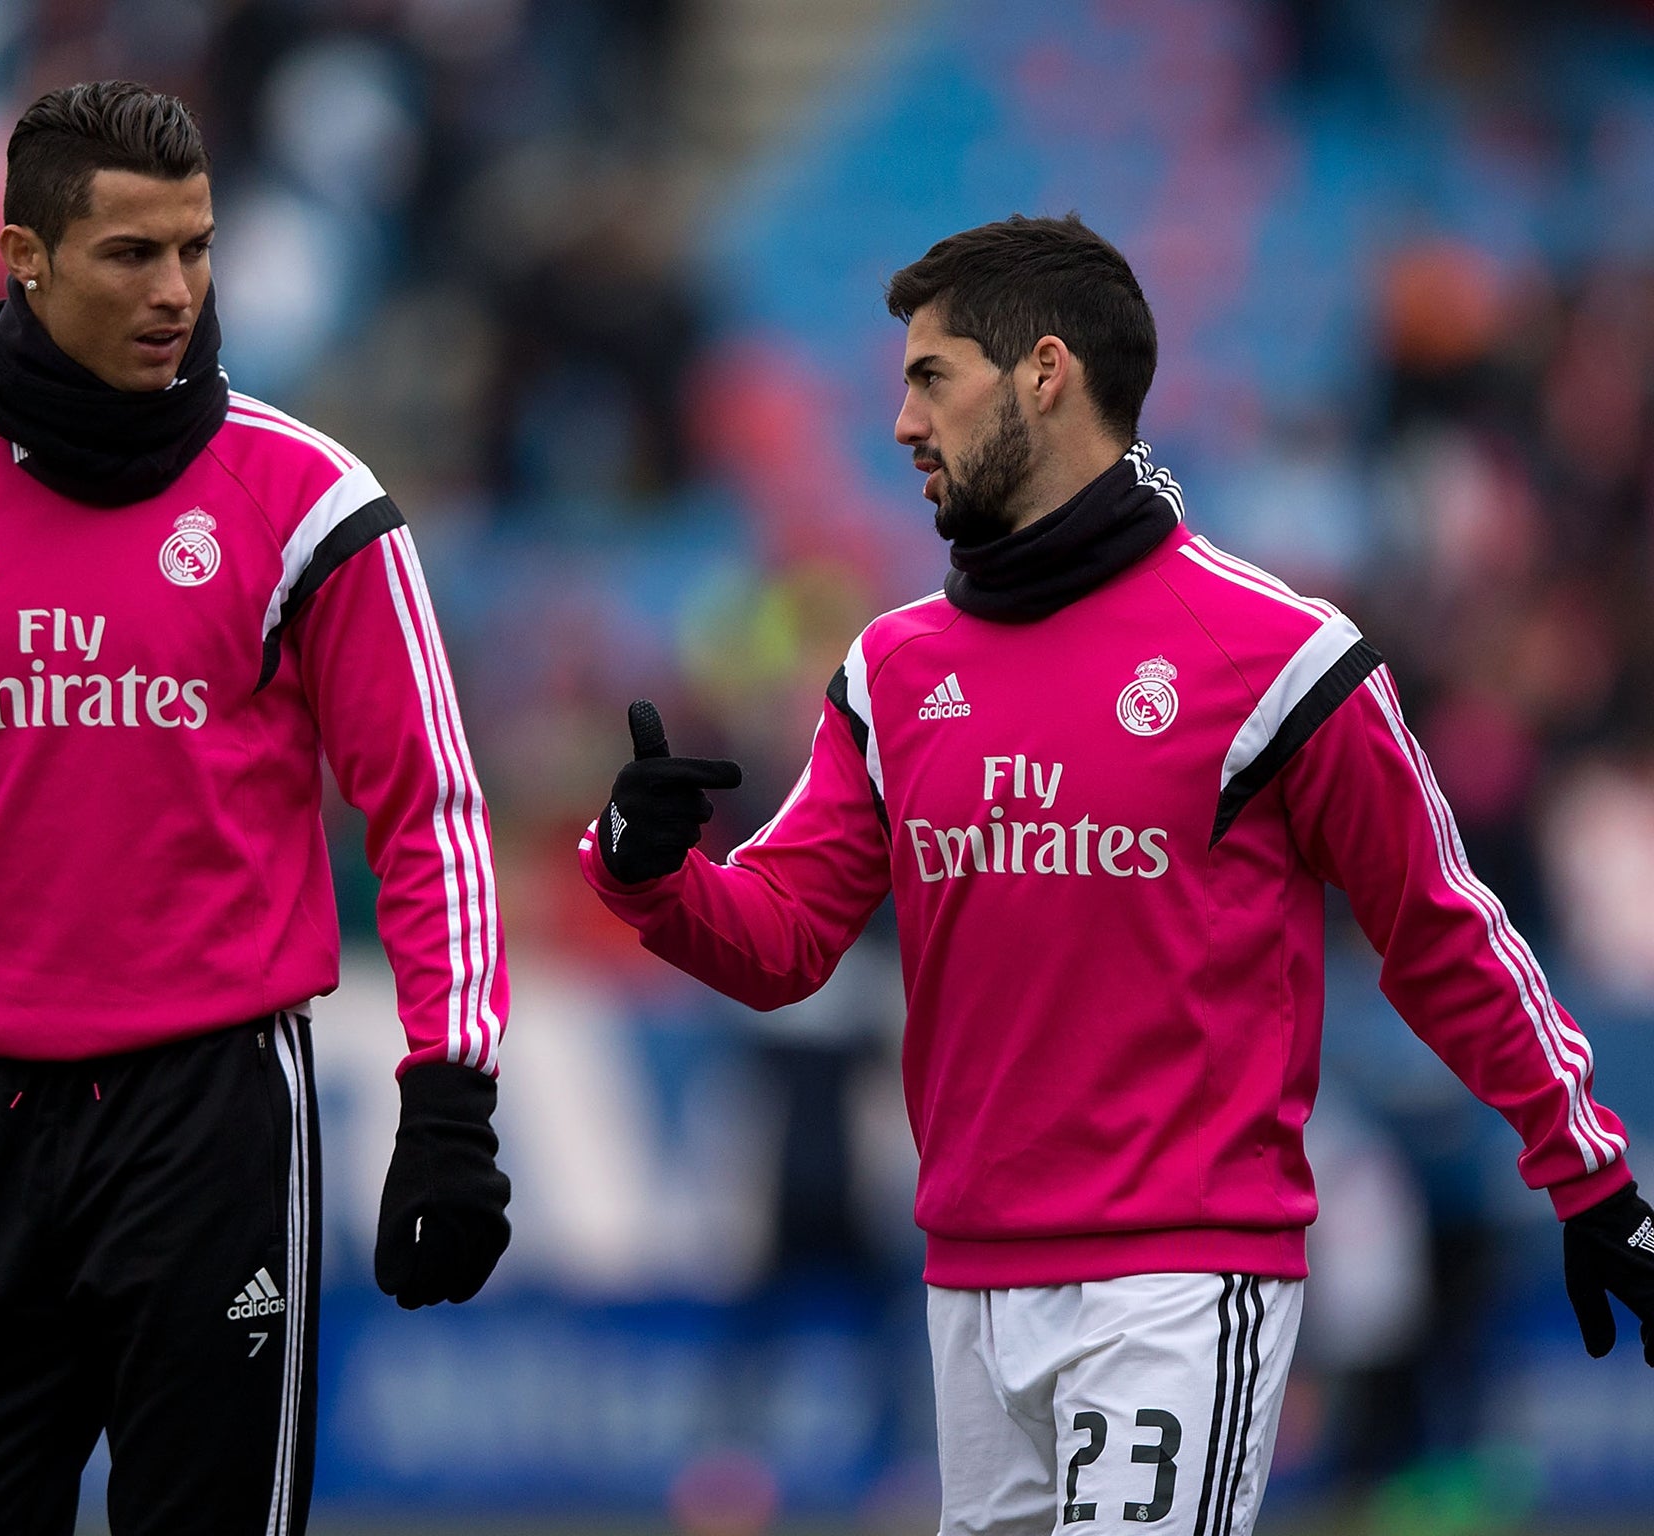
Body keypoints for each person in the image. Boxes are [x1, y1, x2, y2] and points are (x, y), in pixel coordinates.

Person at [580, 214, 1654, 1536]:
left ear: (1043, 375)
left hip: (1178, 1282)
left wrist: (1588, 1173)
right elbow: (786, 935)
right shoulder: (892, 673)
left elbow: (1442, 932)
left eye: (930, 378)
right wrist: (648, 876)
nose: (903, 424)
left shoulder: (1283, 661)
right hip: (969, 1291)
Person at [0, 81, 511, 1536]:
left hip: (213, 1126)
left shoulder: (316, 504)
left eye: (197, 249)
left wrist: (451, 1100)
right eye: (132, 253)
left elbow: (430, 812)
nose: (177, 290)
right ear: (23, 255)